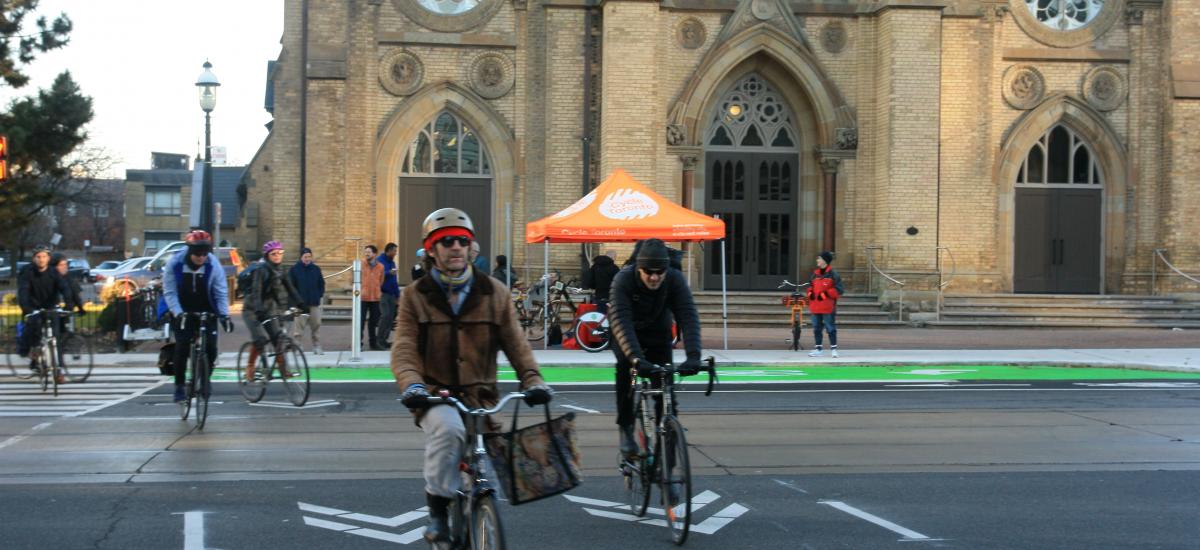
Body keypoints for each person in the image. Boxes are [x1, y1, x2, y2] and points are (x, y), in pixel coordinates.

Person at [392, 207, 553, 544]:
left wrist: (533, 380)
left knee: (488, 473)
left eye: (462, 241)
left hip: (481, 397)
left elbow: (516, 344)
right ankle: (437, 510)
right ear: (432, 251)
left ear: (470, 247)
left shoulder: (495, 293)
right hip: (435, 394)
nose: (455, 247)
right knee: (449, 430)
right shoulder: (414, 296)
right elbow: (404, 348)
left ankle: (479, 517)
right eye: (446, 241)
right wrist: (413, 385)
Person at [608, 238, 703, 457]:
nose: (654, 277)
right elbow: (621, 322)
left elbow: (688, 316)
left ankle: (668, 444)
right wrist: (635, 358)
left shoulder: (674, 279)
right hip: (627, 333)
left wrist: (694, 356)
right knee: (627, 373)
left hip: (658, 333)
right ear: (638, 268)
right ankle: (626, 428)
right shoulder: (622, 280)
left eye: (659, 272)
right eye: (648, 271)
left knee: (664, 387)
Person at [162, 230, 235, 402]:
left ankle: (205, 380)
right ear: (189, 251)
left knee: (211, 347)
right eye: (197, 254)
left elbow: (221, 291)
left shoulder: (213, 264)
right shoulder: (175, 263)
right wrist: (178, 313)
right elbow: (170, 291)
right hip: (182, 308)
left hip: (206, 306)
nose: (201, 257)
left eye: (204, 253)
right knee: (182, 345)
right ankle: (179, 385)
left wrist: (224, 316)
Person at [243, 240, 305, 380]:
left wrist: (301, 303)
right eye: (274, 254)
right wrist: (258, 309)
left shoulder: (280, 270)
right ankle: (250, 367)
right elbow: (256, 291)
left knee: (278, 339)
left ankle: (283, 370)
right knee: (260, 339)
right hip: (252, 309)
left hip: (268, 309)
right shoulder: (261, 270)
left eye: (280, 253)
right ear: (267, 256)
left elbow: (290, 288)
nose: (277, 256)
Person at [16, 245, 72, 378]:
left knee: (56, 337)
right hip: (34, 307)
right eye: (38, 257)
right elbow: (23, 291)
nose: (41, 260)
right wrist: (27, 308)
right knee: (34, 332)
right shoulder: (28, 272)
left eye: (44, 257)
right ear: (34, 258)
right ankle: (35, 359)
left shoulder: (54, 272)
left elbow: (64, 287)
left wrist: (69, 304)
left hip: (51, 307)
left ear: (48, 258)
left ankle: (57, 370)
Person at [807, 251, 844, 358]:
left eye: (819, 258)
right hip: (815, 306)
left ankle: (834, 349)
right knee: (816, 328)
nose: (817, 260)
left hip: (828, 307)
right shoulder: (814, 274)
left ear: (825, 261)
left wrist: (825, 294)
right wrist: (810, 293)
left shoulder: (833, 274)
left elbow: (839, 289)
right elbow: (810, 286)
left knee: (830, 327)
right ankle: (818, 349)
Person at [289, 247, 325, 355]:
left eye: (309, 256)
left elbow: (321, 284)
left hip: (314, 302)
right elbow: (291, 286)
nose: (307, 259)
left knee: (316, 324)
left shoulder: (316, 269)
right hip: (300, 303)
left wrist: (319, 295)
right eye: (305, 257)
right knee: (299, 326)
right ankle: (297, 345)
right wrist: (295, 301)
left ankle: (316, 345)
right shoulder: (294, 269)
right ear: (301, 257)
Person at [49, 253, 85, 334]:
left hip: (66, 310)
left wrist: (80, 308)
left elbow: (76, 294)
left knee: (65, 330)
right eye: (61, 265)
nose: (64, 267)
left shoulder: (69, 278)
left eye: (65, 264)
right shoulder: (48, 278)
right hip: (50, 309)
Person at [360, 244, 385, 350]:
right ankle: (358, 343)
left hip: (375, 298)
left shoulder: (381, 267)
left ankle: (373, 343)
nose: (367, 254)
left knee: (373, 322)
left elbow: (381, 281)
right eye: (366, 252)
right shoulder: (360, 264)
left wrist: (377, 290)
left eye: (369, 252)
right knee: (360, 321)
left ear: (374, 254)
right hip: (363, 298)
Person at [377, 242, 401, 349]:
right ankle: (379, 340)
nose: (396, 253)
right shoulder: (380, 261)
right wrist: (388, 273)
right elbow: (377, 275)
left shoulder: (393, 263)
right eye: (394, 251)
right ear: (389, 250)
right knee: (385, 315)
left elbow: (394, 280)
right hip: (383, 293)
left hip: (392, 294)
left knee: (391, 317)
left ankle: (385, 340)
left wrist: (397, 295)